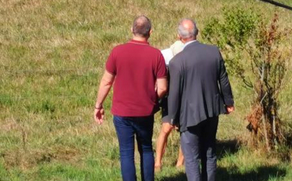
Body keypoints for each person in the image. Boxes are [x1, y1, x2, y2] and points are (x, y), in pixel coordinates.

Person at [94, 16, 168, 181]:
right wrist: (152, 99)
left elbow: (106, 81)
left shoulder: (117, 51)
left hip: (122, 112)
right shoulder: (156, 55)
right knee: (146, 149)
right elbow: (162, 88)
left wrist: (98, 105)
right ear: (150, 32)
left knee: (126, 152)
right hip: (145, 111)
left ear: (131, 30)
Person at [167, 18, 234, 181]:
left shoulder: (177, 62)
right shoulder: (213, 51)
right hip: (212, 110)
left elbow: (174, 93)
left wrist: (172, 118)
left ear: (179, 37)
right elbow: (223, 79)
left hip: (189, 116)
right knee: (209, 152)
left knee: (191, 158)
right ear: (197, 33)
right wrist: (229, 102)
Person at [155, 40, 186, 172]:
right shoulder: (163, 57)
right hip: (169, 98)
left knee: (185, 131)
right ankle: (157, 162)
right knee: (166, 129)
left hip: (185, 98)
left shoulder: (187, 59)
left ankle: (180, 163)